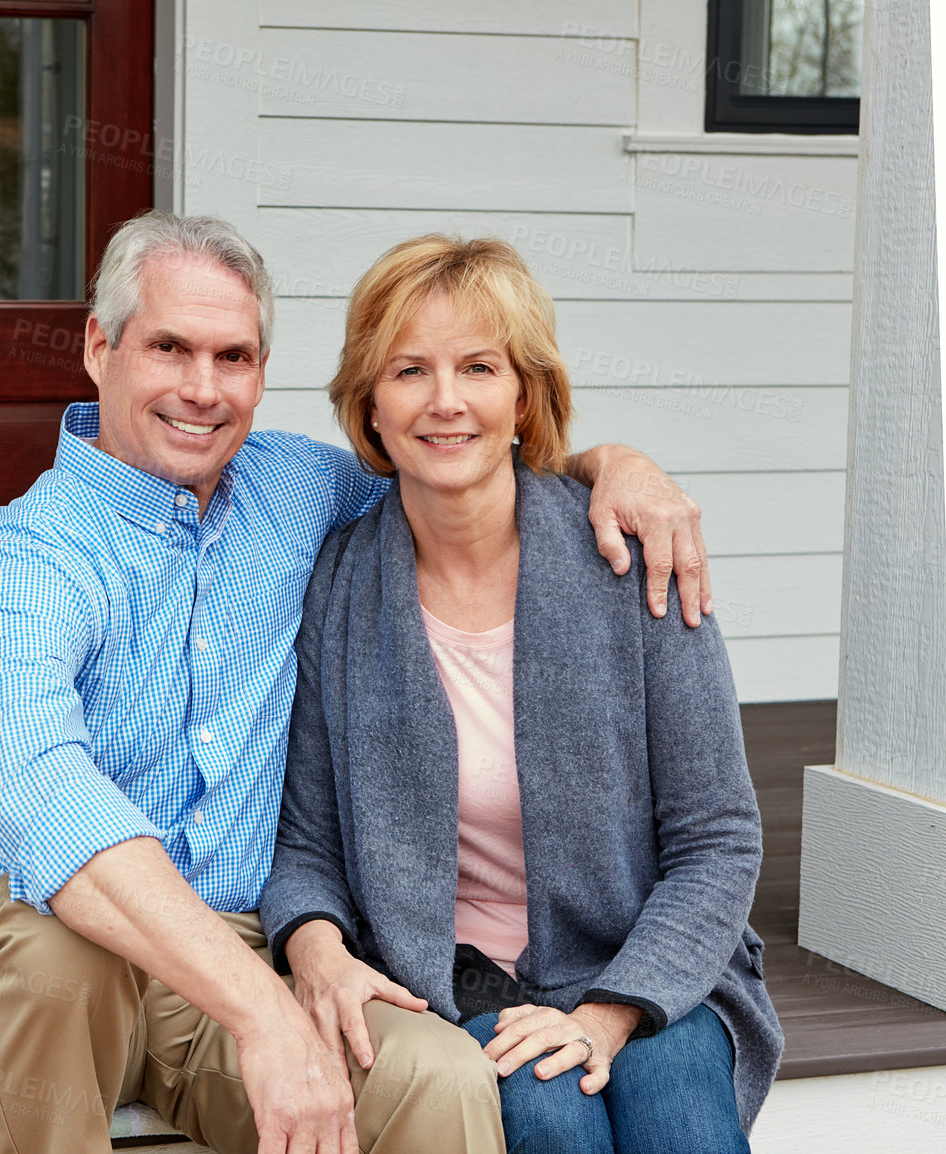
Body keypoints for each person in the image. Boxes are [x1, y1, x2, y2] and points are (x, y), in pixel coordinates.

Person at [0, 210, 716, 1154]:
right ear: (100, 346)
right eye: (170, 347)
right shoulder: (18, 562)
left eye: (234, 357)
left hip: (240, 949)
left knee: (445, 1074)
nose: (202, 390)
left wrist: (615, 469)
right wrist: (266, 1014)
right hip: (24, 950)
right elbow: (52, 807)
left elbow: (456, 468)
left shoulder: (295, 489)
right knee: (59, 954)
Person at [259, 235, 780, 1154]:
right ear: (370, 406)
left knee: (673, 1098)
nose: (446, 400)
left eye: (479, 367)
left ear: (523, 396)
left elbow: (718, 839)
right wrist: (315, 949)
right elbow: (305, 842)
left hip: (641, 961)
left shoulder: (631, 557)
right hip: (446, 981)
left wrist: (610, 1014)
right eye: (409, 370)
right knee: (545, 1109)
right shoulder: (335, 585)